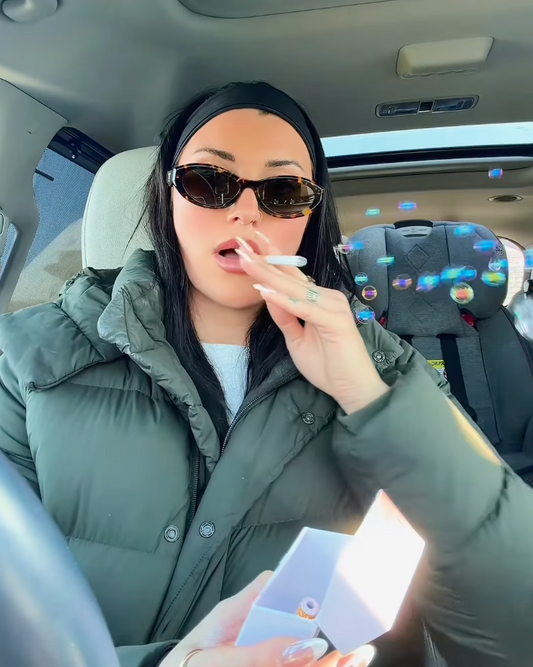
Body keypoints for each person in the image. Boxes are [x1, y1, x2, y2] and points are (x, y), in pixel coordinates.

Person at [0, 81, 532, 667]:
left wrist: (367, 394)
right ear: (167, 196)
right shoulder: (31, 357)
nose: (246, 211)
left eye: (283, 191)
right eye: (209, 181)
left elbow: (516, 627)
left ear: (309, 217)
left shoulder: (386, 369)